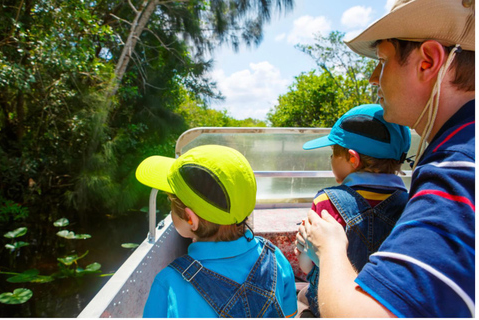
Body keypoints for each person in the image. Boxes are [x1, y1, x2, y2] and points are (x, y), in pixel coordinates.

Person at [296, 0, 475, 317]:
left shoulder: (457, 167)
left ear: (427, 62)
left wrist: (330, 247)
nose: (373, 77)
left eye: (382, 60)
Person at [136, 145, 298, 318]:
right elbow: (289, 314)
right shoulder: (275, 257)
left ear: (190, 219)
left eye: (172, 204)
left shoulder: (168, 283)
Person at [295, 104, 411, 317]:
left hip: (333, 304)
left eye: (333, 153)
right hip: (386, 307)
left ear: (352, 159)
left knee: (302, 298)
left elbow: (306, 266)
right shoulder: (411, 204)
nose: (330, 160)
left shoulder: (325, 200)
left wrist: (302, 246)